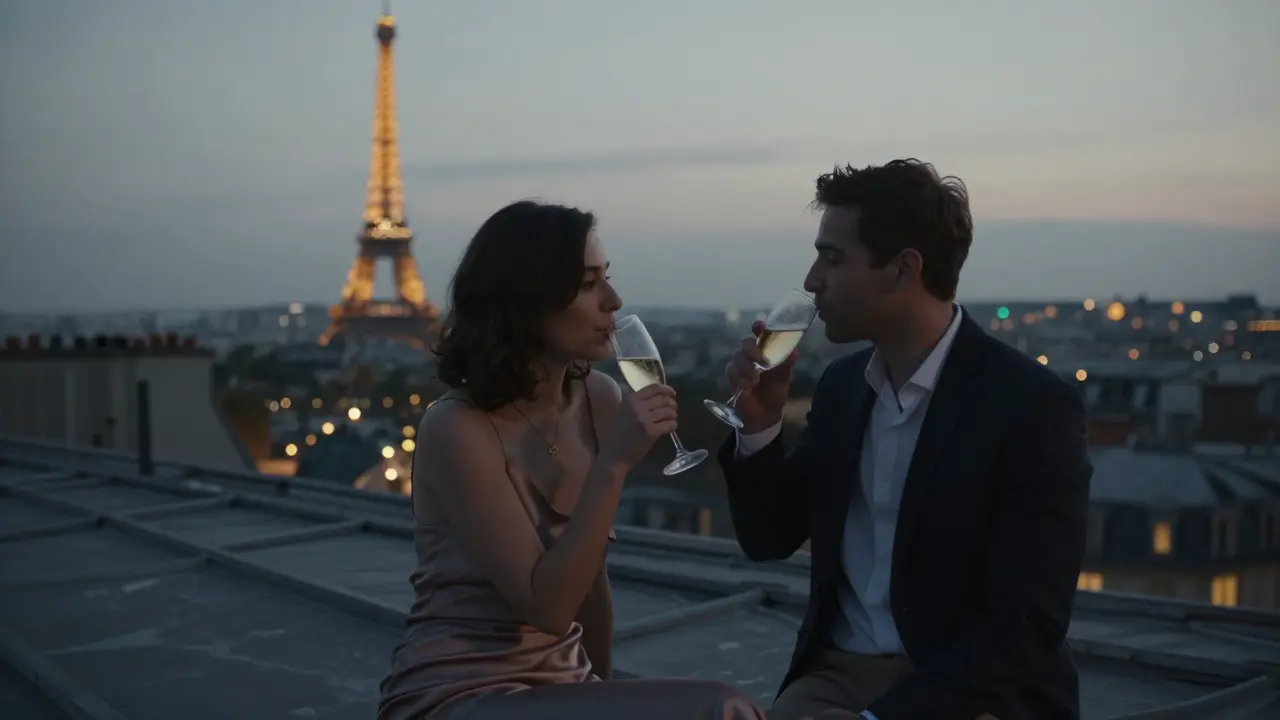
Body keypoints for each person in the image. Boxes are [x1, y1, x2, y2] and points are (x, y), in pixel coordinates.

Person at [718, 160, 1092, 720]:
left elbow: (1026, 624)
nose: (812, 279)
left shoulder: (1030, 405)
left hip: (971, 691)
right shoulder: (844, 387)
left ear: (902, 269)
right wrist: (759, 426)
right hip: (839, 675)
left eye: (832, 257)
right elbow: (769, 537)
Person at [378, 200, 766, 720]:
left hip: (559, 687)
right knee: (721, 709)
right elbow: (550, 607)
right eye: (588, 285)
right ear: (526, 301)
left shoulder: (598, 399)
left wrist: (602, 695)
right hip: (458, 693)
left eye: (606, 278)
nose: (613, 299)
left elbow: (591, 585)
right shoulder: (457, 430)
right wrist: (614, 465)